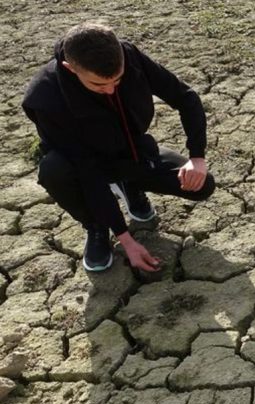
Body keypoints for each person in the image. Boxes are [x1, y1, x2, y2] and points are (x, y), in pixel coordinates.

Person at [23, 22, 215, 272]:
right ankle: (95, 227)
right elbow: (86, 170)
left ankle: (129, 183)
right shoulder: (46, 98)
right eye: (99, 86)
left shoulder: (129, 55)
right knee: (54, 169)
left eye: (118, 79)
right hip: (84, 165)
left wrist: (196, 157)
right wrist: (125, 238)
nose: (111, 90)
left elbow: (185, 97)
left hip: (132, 152)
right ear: (71, 69)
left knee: (202, 185)